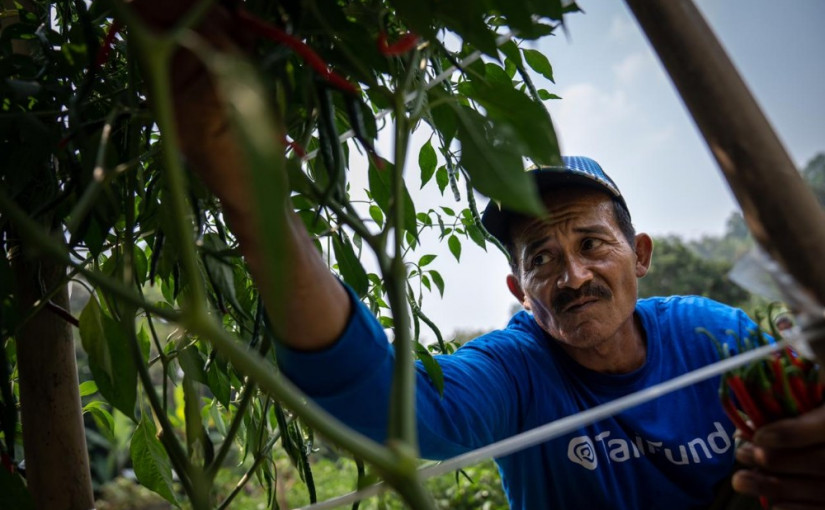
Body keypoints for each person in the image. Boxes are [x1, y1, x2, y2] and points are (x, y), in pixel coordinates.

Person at [128, 3, 825, 507]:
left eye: (590, 244)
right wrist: (255, 202)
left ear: (638, 253)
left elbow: (804, 387)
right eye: (541, 260)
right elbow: (398, 408)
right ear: (518, 289)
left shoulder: (711, 335)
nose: (572, 276)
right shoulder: (516, 368)